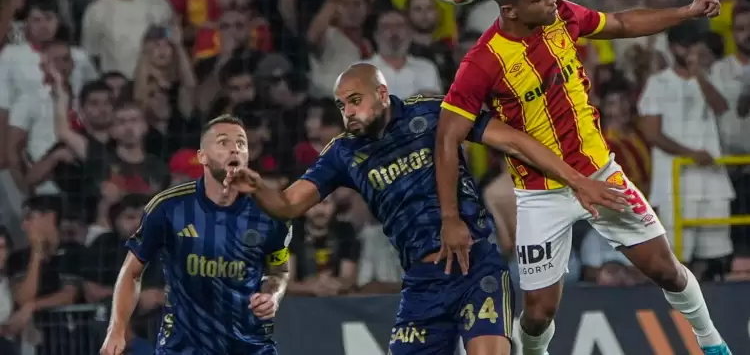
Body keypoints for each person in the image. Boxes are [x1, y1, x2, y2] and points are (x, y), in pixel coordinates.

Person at [434, 0, 731, 355]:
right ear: (510, 10)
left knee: (667, 270)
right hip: (540, 194)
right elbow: (446, 138)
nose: (551, 0)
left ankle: (713, 344)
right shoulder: (482, 62)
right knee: (538, 313)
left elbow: (620, 23)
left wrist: (685, 12)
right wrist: (449, 218)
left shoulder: (561, 15)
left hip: (601, 174)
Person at [222, 63, 625, 355]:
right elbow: (289, 204)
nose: (348, 113)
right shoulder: (343, 153)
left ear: (382, 94)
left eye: (356, 101)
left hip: (477, 266)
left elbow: (515, 141)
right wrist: (257, 187)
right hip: (422, 282)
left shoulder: (433, 113)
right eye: (342, 105)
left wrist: (578, 181)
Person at [99, 115, 292, 355]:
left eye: (241, 143)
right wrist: (116, 329)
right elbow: (132, 271)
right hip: (183, 348)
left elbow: (279, 270)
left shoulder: (269, 213)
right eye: (223, 142)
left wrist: (272, 295)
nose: (235, 148)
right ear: (202, 157)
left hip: (249, 347)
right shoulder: (168, 207)